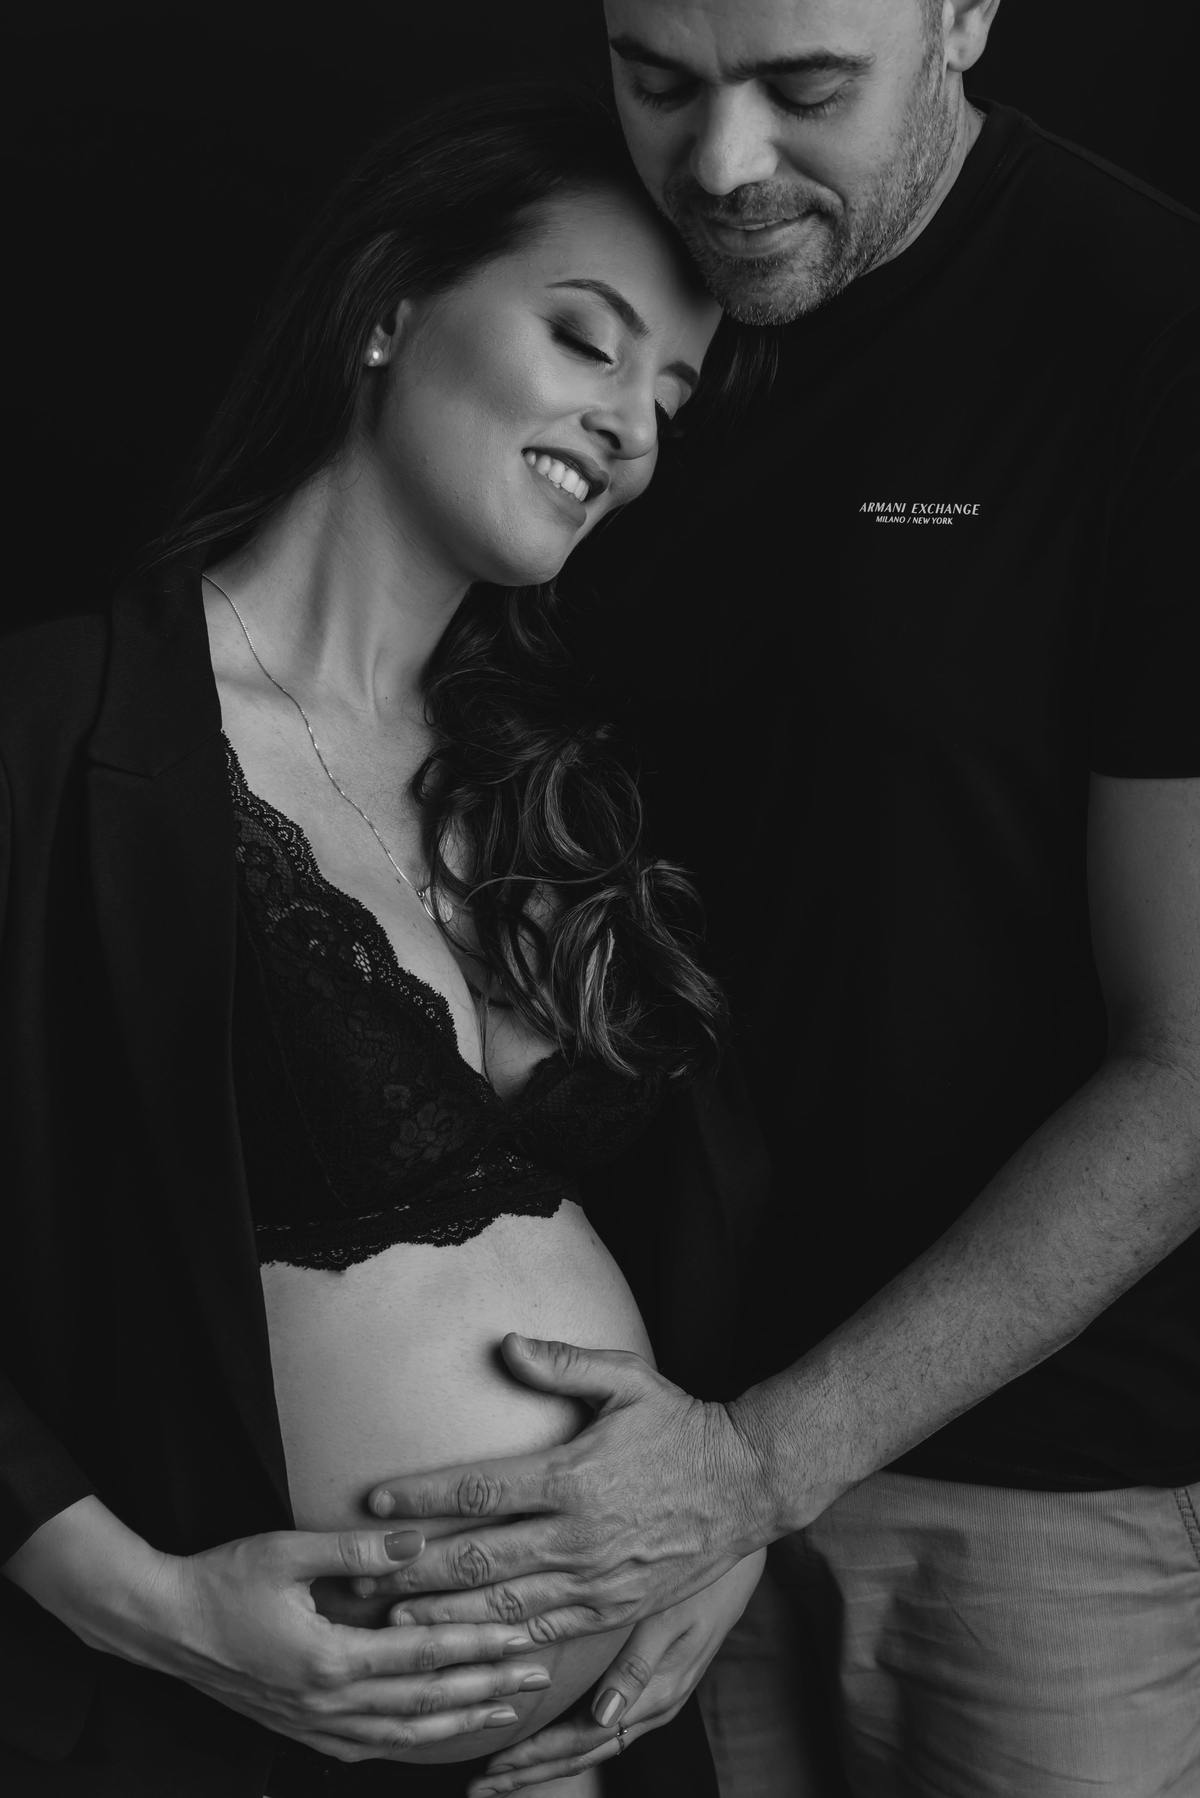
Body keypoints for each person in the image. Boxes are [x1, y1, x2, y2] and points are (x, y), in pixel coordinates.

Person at [350, 6, 1200, 1796]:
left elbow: (1191, 1068)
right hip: (629, 1449)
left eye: (807, 90)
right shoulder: (615, 290)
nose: (722, 165)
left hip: (1028, 1490)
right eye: (658, 79)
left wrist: (759, 1461)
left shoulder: (1150, 342)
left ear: (964, 13)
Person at [0, 81, 768, 1798]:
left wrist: (727, 1516)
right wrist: (144, 1604)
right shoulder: (51, 731)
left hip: (594, 1766)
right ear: (389, 307)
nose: (631, 428)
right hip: (210, 1743)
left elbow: (717, 1244)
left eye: (669, 397)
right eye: (589, 341)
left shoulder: (566, 791)